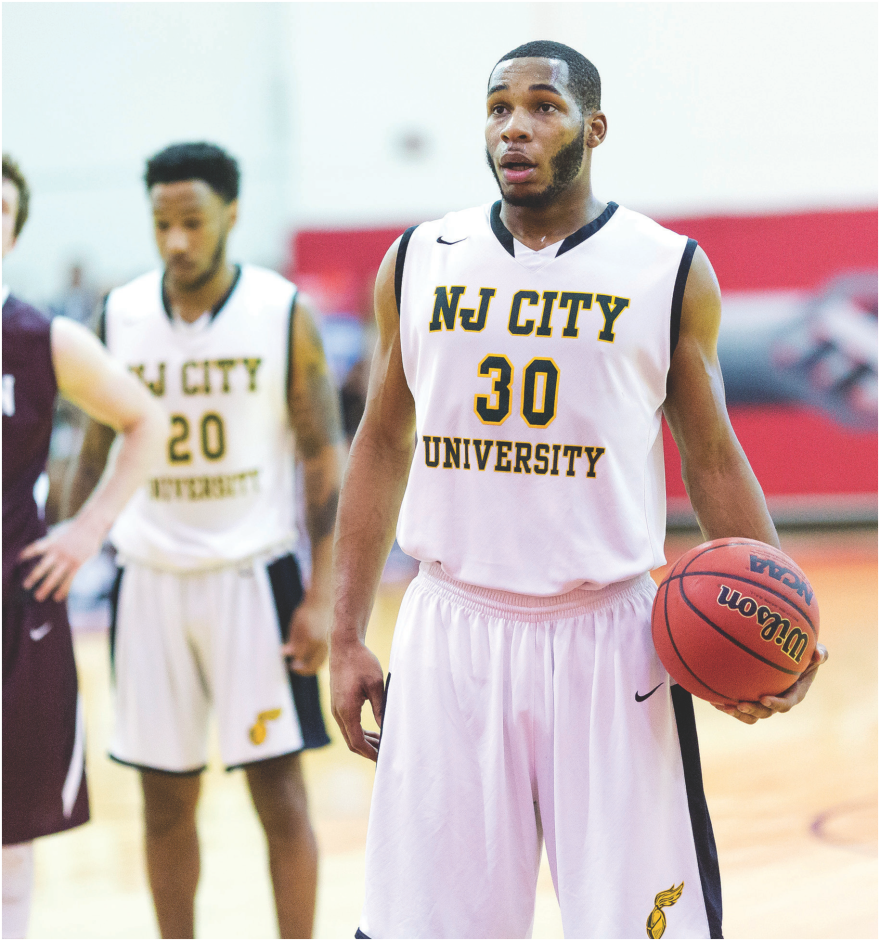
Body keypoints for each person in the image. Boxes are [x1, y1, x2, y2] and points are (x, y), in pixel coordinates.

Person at [329, 41, 828, 941]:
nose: (515, 125)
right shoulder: (419, 259)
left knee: (641, 926)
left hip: (610, 640)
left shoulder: (666, 268)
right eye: (498, 107)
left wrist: (785, 619)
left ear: (593, 128)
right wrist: (343, 634)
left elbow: (712, 454)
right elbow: (378, 442)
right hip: (452, 631)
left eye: (543, 106)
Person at [65, 142, 344, 940]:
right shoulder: (117, 314)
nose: (177, 240)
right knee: (163, 799)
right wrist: (68, 548)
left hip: (252, 579)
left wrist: (323, 593)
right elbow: (91, 447)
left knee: (278, 791)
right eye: (162, 224)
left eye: (192, 221)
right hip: (147, 581)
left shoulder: (281, 310)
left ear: (231, 213)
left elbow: (324, 451)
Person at [1, 154, 164, 941]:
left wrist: (86, 530)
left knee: (11, 829)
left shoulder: (44, 339)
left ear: (14, 230)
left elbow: (147, 422)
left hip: (15, 601)